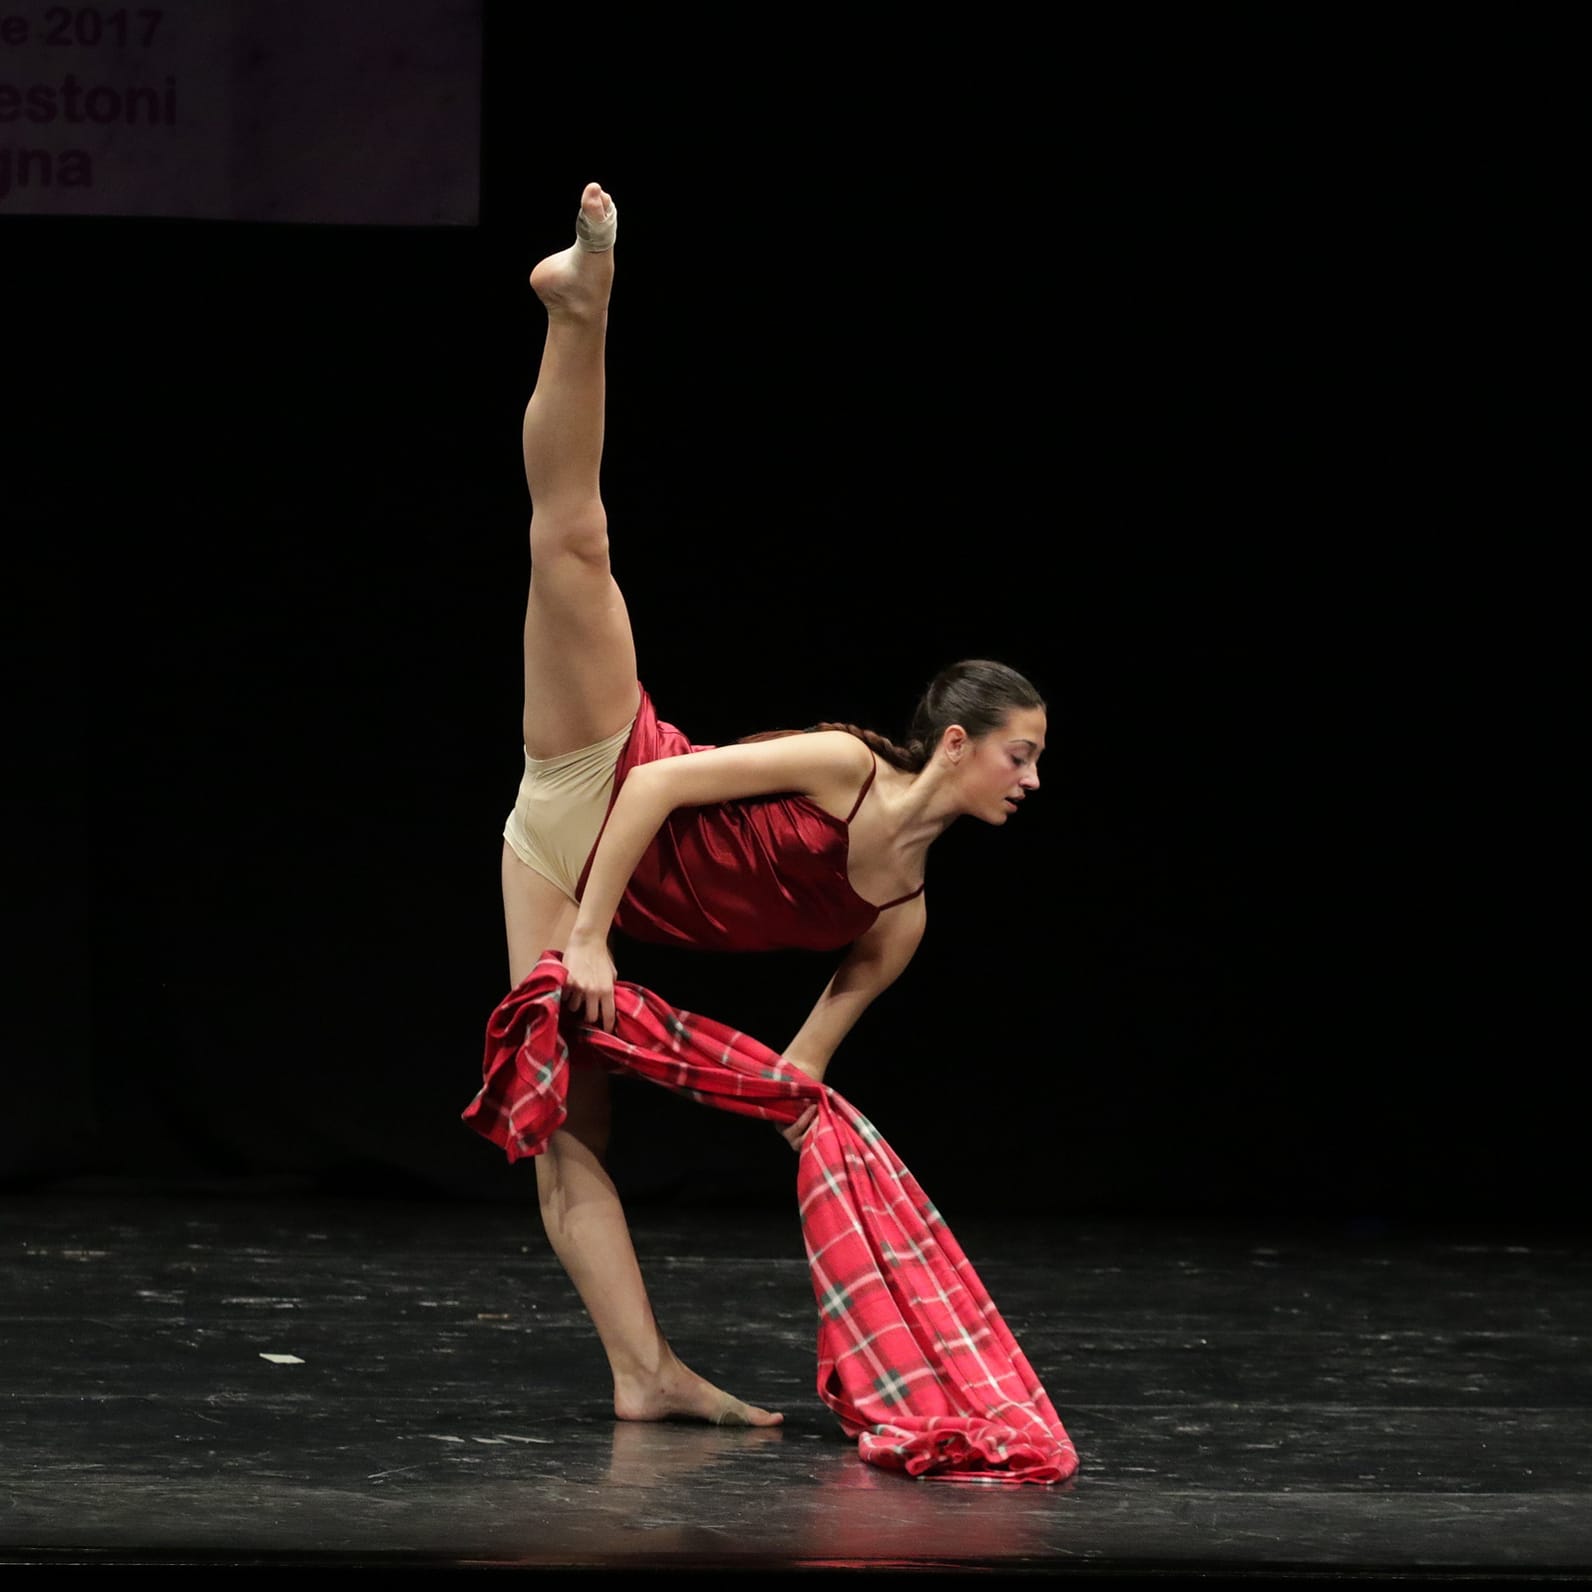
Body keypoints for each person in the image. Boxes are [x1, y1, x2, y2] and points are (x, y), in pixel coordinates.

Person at [501, 181, 1048, 1428]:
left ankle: (643, 1374)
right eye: (1016, 755)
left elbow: (796, 1072)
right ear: (954, 742)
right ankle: (580, 306)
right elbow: (654, 782)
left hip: (565, 867)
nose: (1028, 779)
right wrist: (588, 939)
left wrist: (826, 1146)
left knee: (566, 1118)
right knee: (572, 541)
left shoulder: (899, 918)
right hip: (600, 773)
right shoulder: (841, 764)